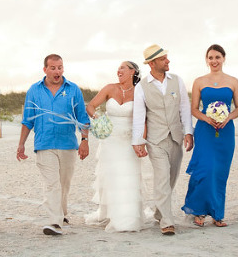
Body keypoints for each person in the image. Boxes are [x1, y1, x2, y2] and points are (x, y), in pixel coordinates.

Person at [16, 54, 90, 236]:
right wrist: (21, 144)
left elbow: (82, 117)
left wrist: (85, 141)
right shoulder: (34, 90)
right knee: (52, 184)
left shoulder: (73, 89)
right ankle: (55, 222)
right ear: (45, 69)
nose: (57, 71)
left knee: (64, 183)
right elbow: (27, 120)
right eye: (53, 68)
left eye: (60, 67)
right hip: (44, 144)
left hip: (68, 144)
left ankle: (61, 213)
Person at [131, 44, 194, 236]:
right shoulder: (142, 87)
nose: (168, 61)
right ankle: (167, 221)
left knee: (171, 178)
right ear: (152, 63)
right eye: (163, 59)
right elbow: (139, 116)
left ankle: (160, 211)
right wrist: (138, 141)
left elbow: (184, 107)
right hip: (155, 140)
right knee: (162, 178)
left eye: (166, 57)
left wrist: (188, 132)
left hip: (175, 137)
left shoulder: (177, 80)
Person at [181, 44, 238, 227]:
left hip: (225, 131)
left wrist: (227, 117)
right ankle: (199, 211)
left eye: (217, 57)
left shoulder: (233, 81)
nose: (214, 61)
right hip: (205, 130)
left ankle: (217, 214)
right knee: (204, 169)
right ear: (206, 60)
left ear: (223, 59)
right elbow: (194, 109)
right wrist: (207, 119)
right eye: (210, 58)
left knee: (219, 173)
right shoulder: (199, 81)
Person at [85, 61, 145, 232]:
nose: (119, 70)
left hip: (129, 141)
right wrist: (98, 118)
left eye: (123, 68)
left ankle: (128, 217)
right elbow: (90, 106)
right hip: (110, 140)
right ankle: (111, 213)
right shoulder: (110, 88)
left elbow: (144, 118)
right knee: (112, 176)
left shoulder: (140, 91)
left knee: (128, 177)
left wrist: (141, 140)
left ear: (133, 71)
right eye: (118, 68)